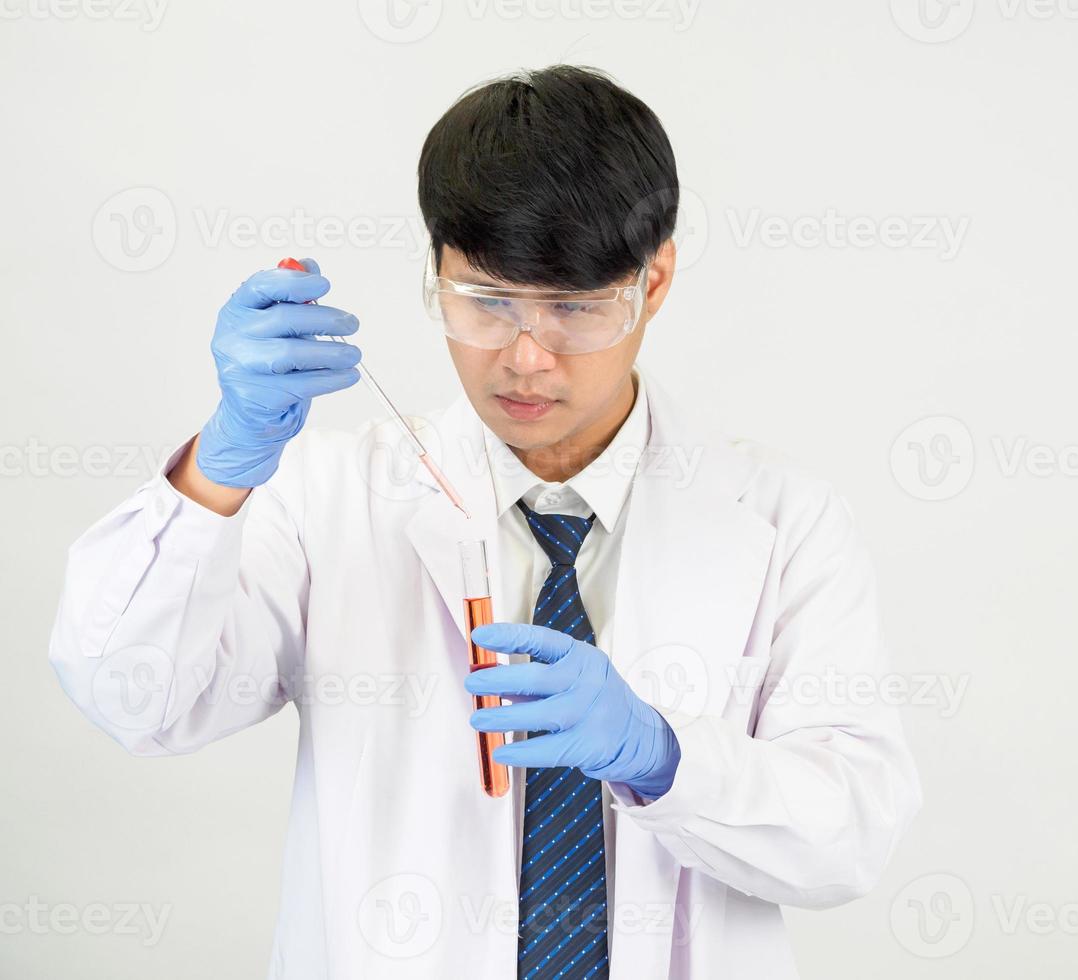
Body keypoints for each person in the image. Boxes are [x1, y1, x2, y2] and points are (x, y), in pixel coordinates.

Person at [49, 65, 921, 979]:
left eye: (576, 310)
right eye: (486, 303)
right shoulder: (330, 498)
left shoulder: (786, 522)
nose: (527, 358)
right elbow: (134, 701)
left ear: (654, 278)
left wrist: (661, 756)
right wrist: (215, 474)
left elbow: (849, 836)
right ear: (436, 271)